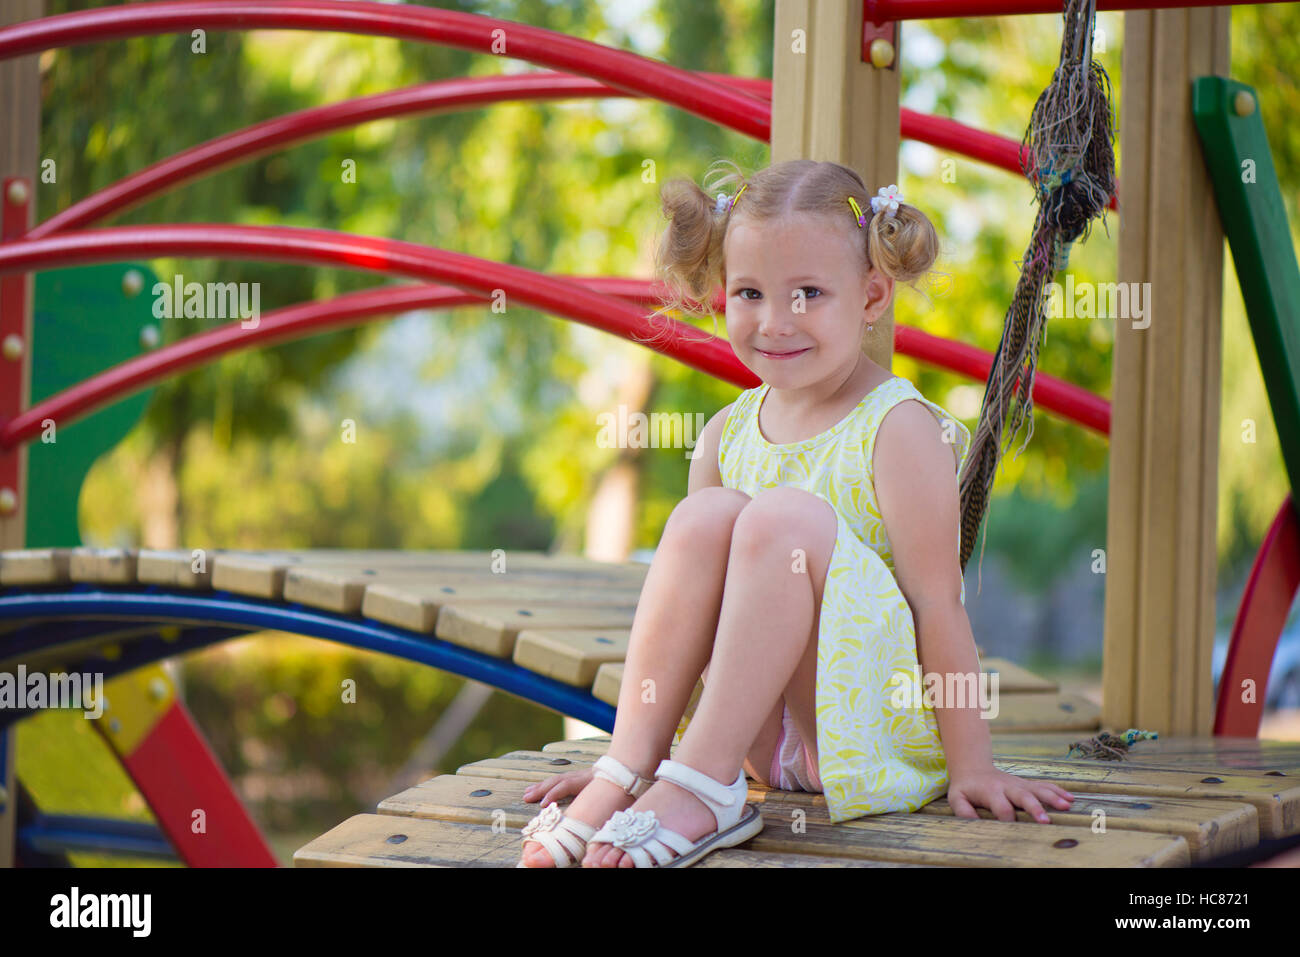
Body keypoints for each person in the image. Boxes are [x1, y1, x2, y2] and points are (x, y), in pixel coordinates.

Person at [518, 158, 1074, 869]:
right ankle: (640, 768)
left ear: (872, 296)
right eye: (750, 292)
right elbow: (698, 615)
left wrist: (974, 765)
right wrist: (634, 758)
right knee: (701, 519)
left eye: (809, 293)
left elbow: (940, 606)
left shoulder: (898, 428)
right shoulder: (727, 432)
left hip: (866, 737)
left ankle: (697, 789)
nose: (776, 321)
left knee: (782, 521)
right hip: (754, 744)